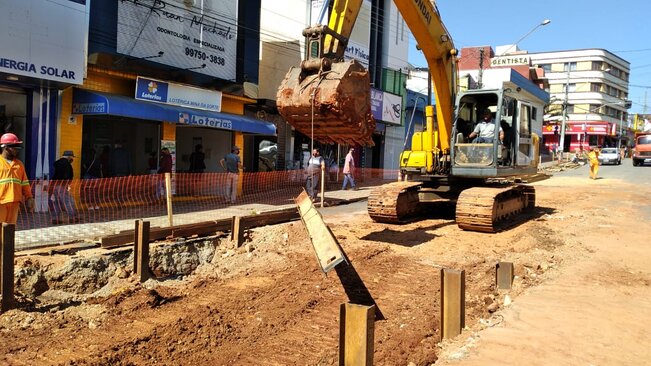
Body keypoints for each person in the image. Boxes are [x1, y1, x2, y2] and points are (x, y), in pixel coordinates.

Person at [0, 133, 34, 224]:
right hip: (1, 202)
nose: (16, 150)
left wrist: (29, 197)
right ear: (5, 147)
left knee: (10, 229)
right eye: (14, 147)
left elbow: (25, 183)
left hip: (15, 202)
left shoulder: (19, 164)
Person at [51, 150, 79, 224]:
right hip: (62, 185)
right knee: (68, 201)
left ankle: (55, 218)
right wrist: (67, 185)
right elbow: (66, 176)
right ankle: (72, 217)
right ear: (69, 156)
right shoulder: (67, 164)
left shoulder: (56, 163)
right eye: (71, 157)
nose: (72, 159)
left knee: (56, 202)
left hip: (54, 184)